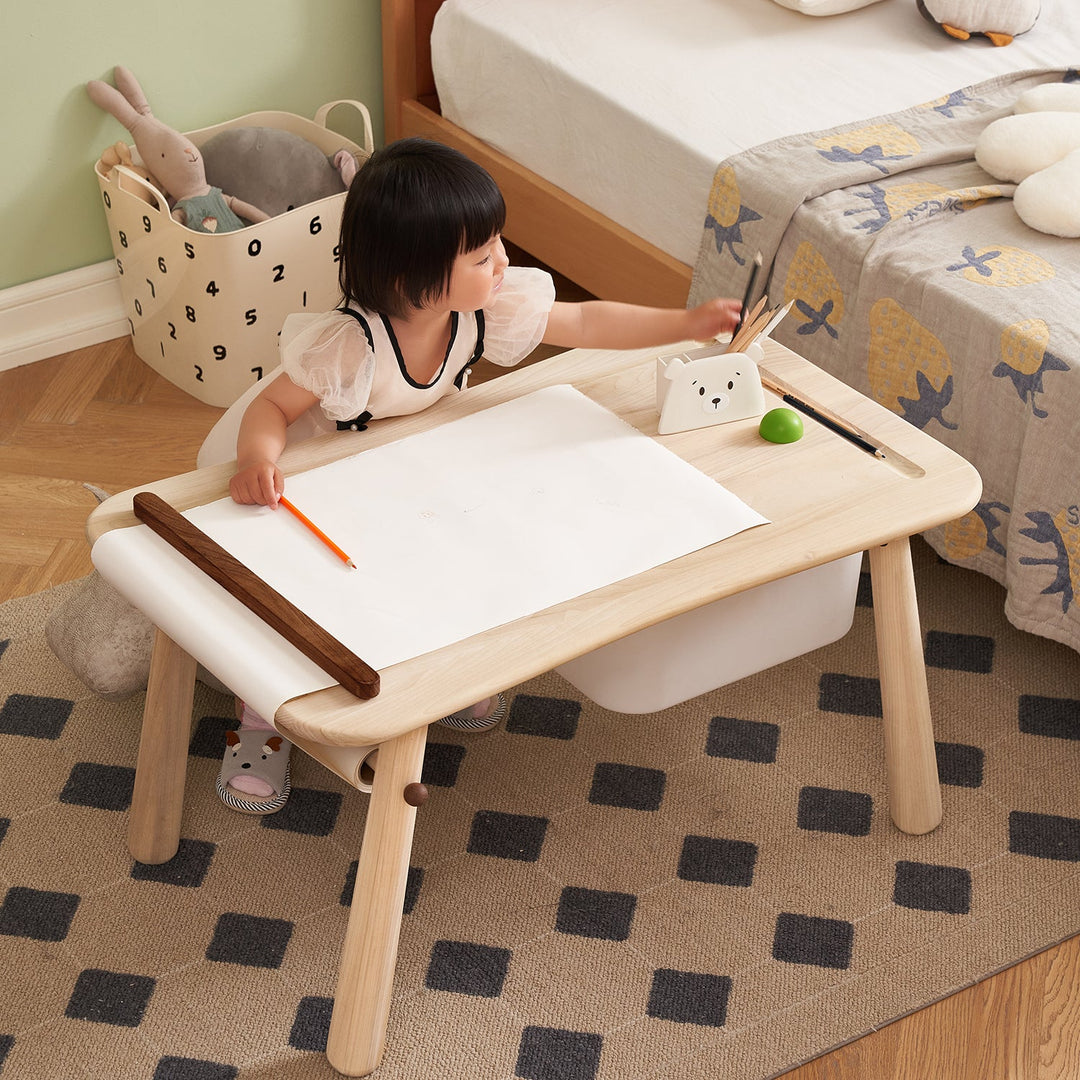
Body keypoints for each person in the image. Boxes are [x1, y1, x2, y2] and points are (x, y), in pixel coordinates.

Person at [200, 137, 742, 814]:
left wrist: (684, 323)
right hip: (302, 478)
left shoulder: (483, 309)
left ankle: (432, 678)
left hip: (399, 467)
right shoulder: (349, 344)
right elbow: (272, 408)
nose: (504, 264)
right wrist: (258, 462)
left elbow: (584, 320)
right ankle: (259, 724)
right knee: (296, 599)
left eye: (497, 248)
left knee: (438, 555)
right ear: (413, 275)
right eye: (483, 257)